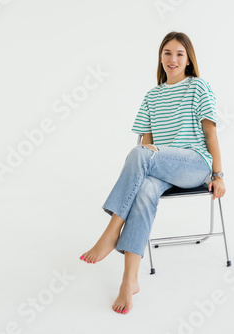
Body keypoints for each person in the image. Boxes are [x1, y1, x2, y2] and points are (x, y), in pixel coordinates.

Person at [79, 31, 226, 314]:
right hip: (160, 168)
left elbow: (211, 133)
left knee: (139, 154)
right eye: (167, 53)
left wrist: (219, 175)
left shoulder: (198, 87)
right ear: (161, 57)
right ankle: (129, 280)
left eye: (179, 54)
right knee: (144, 188)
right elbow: (147, 143)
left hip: (194, 165)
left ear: (188, 60)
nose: (173, 59)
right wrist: (147, 163)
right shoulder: (151, 96)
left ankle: (112, 230)